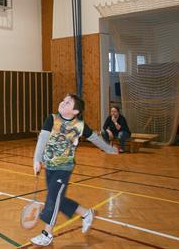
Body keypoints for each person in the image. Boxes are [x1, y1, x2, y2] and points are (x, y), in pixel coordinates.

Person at [31, 94, 117, 246]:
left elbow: (95, 139)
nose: (63, 103)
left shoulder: (80, 125)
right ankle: (86, 213)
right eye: (63, 100)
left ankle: (47, 234)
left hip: (64, 168)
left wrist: (110, 150)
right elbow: (42, 139)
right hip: (49, 166)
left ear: (75, 111)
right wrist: (37, 159)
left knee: (52, 198)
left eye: (68, 102)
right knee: (58, 198)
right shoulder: (51, 119)